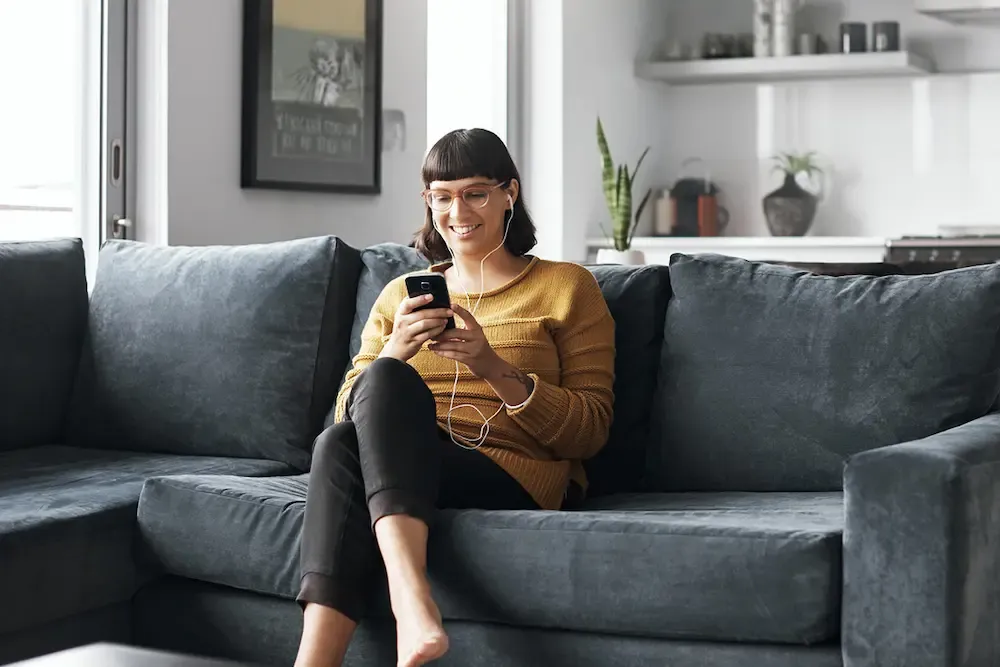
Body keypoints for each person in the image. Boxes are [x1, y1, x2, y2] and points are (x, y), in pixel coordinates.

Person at [293, 128, 616, 667]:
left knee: (352, 430)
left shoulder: (567, 287)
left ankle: (407, 600)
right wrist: (395, 347)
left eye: (475, 193)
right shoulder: (401, 294)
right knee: (346, 430)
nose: (456, 211)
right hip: (415, 467)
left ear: (509, 192)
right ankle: (338, 648)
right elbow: (348, 411)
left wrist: (490, 366)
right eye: (441, 196)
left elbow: (590, 430)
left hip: (513, 471)